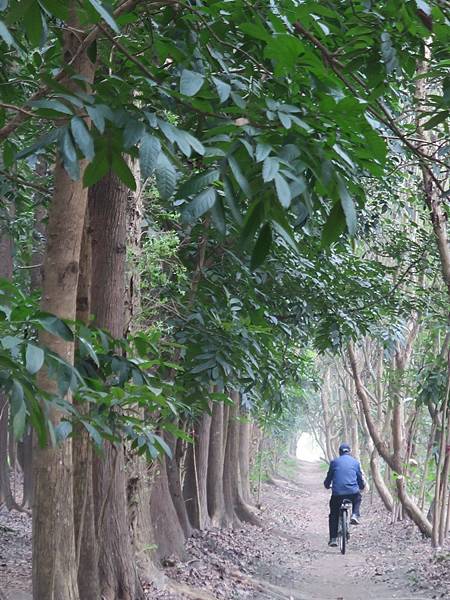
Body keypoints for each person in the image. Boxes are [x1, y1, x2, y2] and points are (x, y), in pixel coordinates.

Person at [323, 442, 365, 547]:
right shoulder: (355, 463)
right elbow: (359, 478)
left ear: (339, 452)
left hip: (337, 493)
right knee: (358, 498)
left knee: (334, 514)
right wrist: (362, 486)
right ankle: (355, 514)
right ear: (349, 452)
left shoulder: (334, 462)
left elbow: (329, 477)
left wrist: (327, 485)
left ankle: (333, 539)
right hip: (352, 492)